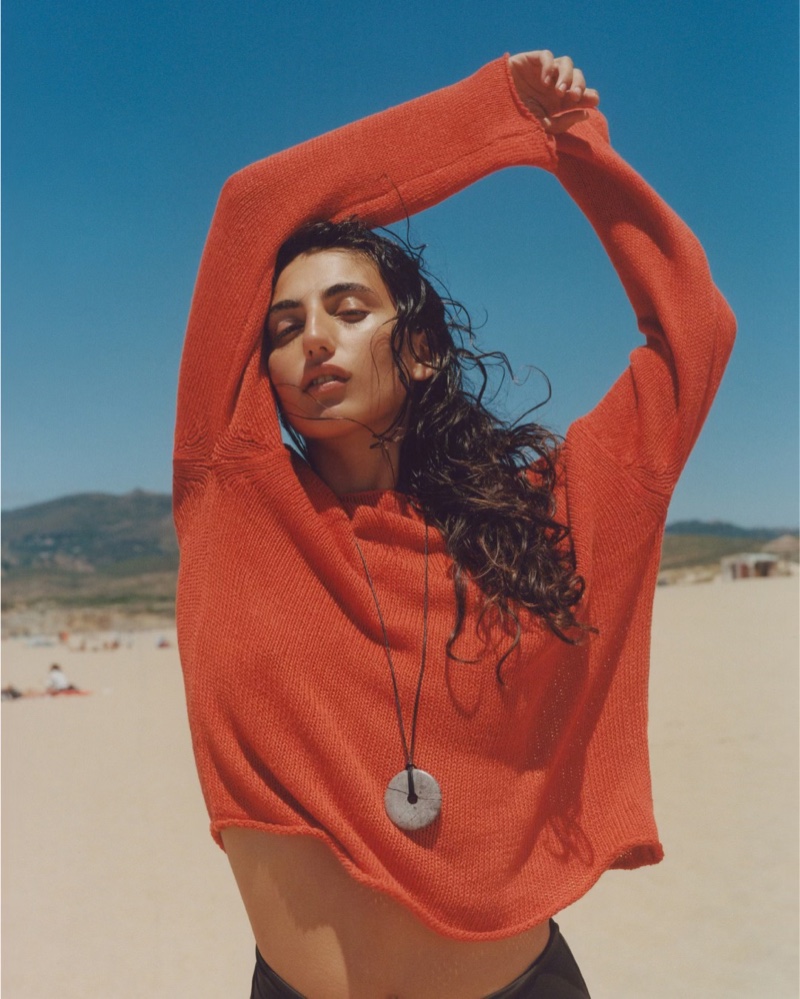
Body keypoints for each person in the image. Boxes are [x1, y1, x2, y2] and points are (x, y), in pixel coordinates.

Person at [173, 49, 735, 998]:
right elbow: (248, 206)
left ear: (423, 347)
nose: (312, 337)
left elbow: (694, 331)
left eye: (348, 310)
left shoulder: (548, 513)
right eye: (282, 325)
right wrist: (496, 115)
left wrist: (578, 153)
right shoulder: (237, 501)